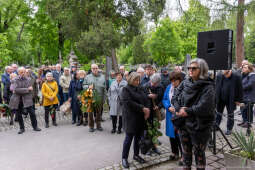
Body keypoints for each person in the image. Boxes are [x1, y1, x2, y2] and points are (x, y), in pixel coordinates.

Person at [171, 58, 215, 170]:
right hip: (184, 124)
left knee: (199, 153)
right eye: (189, 68)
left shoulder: (208, 86)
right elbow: (175, 96)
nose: (190, 70)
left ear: (202, 70)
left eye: (193, 68)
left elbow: (204, 106)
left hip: (199, 126)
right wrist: (178, 109)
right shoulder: (186, 82)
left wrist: (188, 111)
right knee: (186, 152)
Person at [121, 72, 150, 168]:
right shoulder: (126, 89)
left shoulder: (140, 88)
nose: (137, 82)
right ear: (131, 80)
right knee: (128, 139)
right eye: (135, 80)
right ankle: (124, 158)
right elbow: (128, 103)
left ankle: (136, 155)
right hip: (130, 118)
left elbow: (145, 99)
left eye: (138, 80)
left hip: (140, 118)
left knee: (138, 138)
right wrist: (142, 108)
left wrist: (147, 109)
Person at [9, 67, 41, 134]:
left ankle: (35, 127)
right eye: (21, 72)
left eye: (24, 72)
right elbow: (16, 90)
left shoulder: (28, 79)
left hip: (27, 99)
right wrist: (26, 89)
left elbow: (31, 89)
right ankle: (22, 128)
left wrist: (23, 90)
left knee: (32, 113)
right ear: (18, 73)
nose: (23, 73)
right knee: (19, 114)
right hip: (18, 100)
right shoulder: (15, 80)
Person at [162, 71, 183, 162]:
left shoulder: (183, 88)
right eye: (172, 81)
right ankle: (175, 152)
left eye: (175, 81)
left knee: (180, 136)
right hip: (170, 115)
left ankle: (184, 155)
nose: (173, 83)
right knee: (172, 135)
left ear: (179, 80)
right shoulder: (168, 88)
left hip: (180, 115)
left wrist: (179, 109)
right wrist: (168, 106)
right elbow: (165, 99)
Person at [215, 69, 243, 135]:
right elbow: (216, 86)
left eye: (226, 74)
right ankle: (216, 125)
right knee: (218, 113)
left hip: (231, 99)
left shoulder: (237, 76)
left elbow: (240, 89)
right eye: (224, 75)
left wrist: (239, 100)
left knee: (230, 114)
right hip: (221, 98)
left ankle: (229, 128)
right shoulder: (219, 75)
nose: (225, 76)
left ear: (229, 71)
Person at [143, 73, 164, 155]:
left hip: (156, 112)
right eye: (152, 82)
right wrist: (148, 96)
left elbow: (163, 99)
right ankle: (147, 148)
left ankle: (154, 147)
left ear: (158, 83)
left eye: (155, 84)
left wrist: (158, 106)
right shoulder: (145, 86)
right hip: (147, 112)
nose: (153, 85)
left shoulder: (161, 87)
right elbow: (141, 98)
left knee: (155, 130)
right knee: (147, 131)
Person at [83, 64, 106, 132]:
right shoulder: (87, 77)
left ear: (98, 69)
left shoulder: (102, 77)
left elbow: (104, 89)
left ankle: (98, 125)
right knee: (90, 113)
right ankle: (91, 126)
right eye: (93, 68)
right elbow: (83, 86)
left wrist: (104, 99)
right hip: (90, 98)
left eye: (96, 68)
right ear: (91, 69)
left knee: (98, 113)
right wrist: (88, 87)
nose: (95, 70)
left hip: (99, 98)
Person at [240, 63, 255, 128]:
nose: (243, 68)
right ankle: (245, 121)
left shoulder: (252, 75)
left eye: (245, 67)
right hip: (244, 96)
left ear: (249, 69)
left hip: (250, 97)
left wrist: (241, 88)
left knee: (249, 111)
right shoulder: (244, 75)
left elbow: (250, 85)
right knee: (243, 110)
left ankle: (248, 123)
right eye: (243, 67)